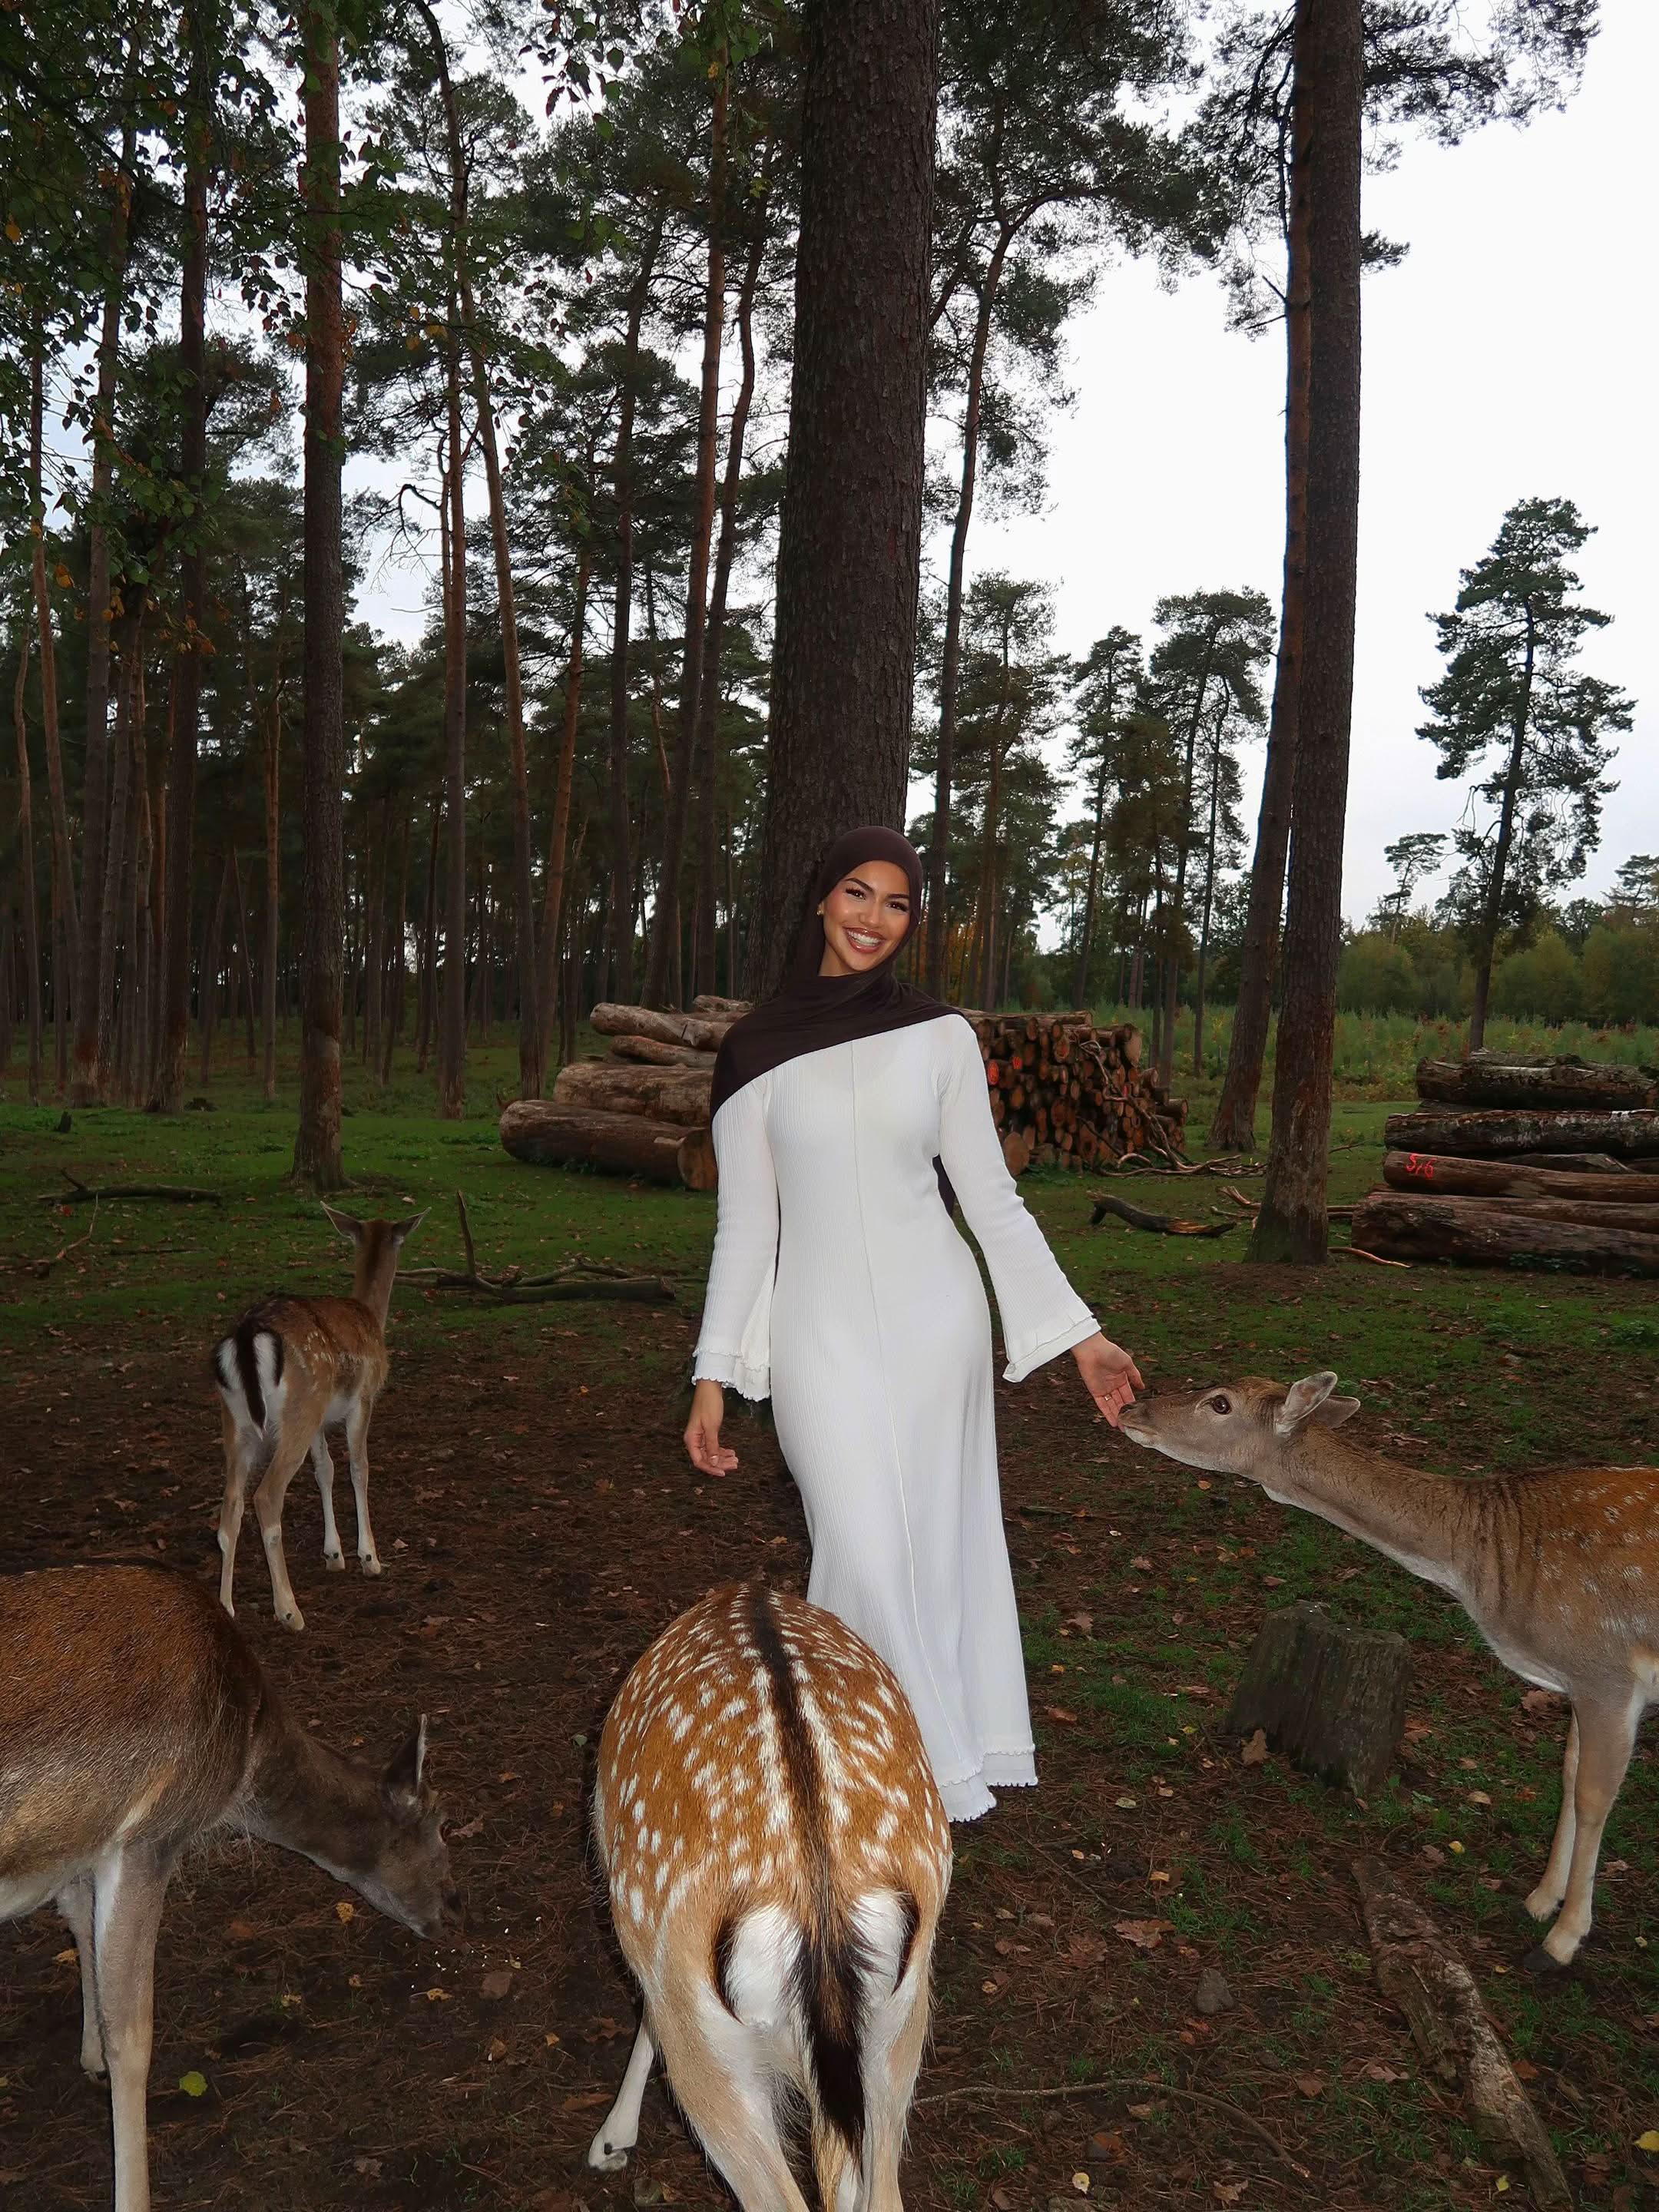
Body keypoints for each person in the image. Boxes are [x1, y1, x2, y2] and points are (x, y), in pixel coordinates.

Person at [686, 827, 1141, 1821]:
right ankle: (902, 1771)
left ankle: (887, 1784)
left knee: (932, 1552)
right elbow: (743, 1229)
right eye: (858, 893)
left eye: (897, 905)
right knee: (860, 1546)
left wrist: (1080, 1337)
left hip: (939, 1327)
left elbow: (992, 1202)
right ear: (820, 898)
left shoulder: (940, 1037)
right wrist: (714, 1371)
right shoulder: (754, 1052)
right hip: (819, 1336)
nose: (874, 920)